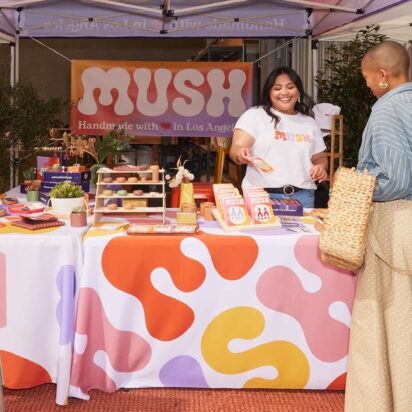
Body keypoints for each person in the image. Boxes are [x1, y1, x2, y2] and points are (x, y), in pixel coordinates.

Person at [345, 41, 412, 412]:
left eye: (367, 77)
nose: (367, 84)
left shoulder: (386, 110)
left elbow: (396, 179)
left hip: (395, 225)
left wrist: (356, 181)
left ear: (383, 76)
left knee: (389, 327)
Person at [229, 66, 328, 208]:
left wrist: (320, 167)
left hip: (303, 197)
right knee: (262, 231)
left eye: (290, 87)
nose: (284, 92)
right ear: (269, 92)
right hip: (262, 196)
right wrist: (240, 153)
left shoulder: (309, 123)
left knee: (304, 231)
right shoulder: (255, 115)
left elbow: (320, 157)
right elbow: (237, 148)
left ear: (298, 90)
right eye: (277, 88)